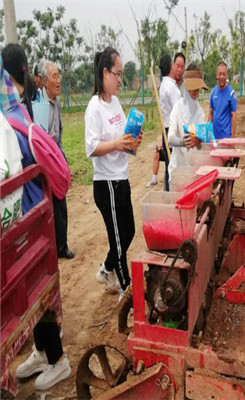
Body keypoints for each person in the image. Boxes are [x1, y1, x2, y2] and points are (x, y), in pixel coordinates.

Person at [0, 51, 72, 391]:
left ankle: (57, 359)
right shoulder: (21, 107)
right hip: (31, 216)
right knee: (32, 292)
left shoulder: (12, 116)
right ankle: (43, 351)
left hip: (28, 220)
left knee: (35, 290)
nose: (56, 81)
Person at [85, 47, 142, 300]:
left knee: (128, 231)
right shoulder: (94, 108)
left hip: (122, 177)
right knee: (118, 240)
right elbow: (91, 147)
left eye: (121, 75)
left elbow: (122, 138)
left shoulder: (116, 103)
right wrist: (117, 145)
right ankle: (126, 289)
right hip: (106, 184)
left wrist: (131, 141)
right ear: (105, 73)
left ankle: (106, 269)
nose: (120, 80)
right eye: (117, 74)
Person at [39, 61, 75, 259]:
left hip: (55, 156)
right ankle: (47, 248)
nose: (58, 80)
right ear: (45, 81)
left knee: (60, 200)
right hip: (42, 158)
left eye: (58, 75)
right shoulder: (38, 103)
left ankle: (62, 246)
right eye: (54, 76)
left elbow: (58, 134)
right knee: (45, 204)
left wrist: (63, 160)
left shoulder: (58, 103)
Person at [167, 64, 209, 184]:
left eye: (198, 88)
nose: (196, 91)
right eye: (193, 87)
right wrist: (182, 142)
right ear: (187, 88)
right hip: (177, 169)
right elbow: (170, 138)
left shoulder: (199, 112)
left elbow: (202, 144)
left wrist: (198, 142)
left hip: (194, 169)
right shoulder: (177, 108)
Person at [147, 54, 183, 190]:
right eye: (176, 65)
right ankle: (171, 192)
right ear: (171, 67)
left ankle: (168, 191)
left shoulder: (164, 85)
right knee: (174, 164)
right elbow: (178, 113)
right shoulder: (172, 88)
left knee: (170, 164)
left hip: (166, 130)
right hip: (173, 130)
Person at [209, 62, 238, 139]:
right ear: (216, 75)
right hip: (214, 137)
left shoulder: (231, 93)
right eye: (220, 74)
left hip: (226, 137)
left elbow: (233, 116)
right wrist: (208, 134)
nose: (221, 77)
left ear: (226, 76)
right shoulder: (213, 92)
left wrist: (232, 139)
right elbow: (210, 114)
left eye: (224, 74)